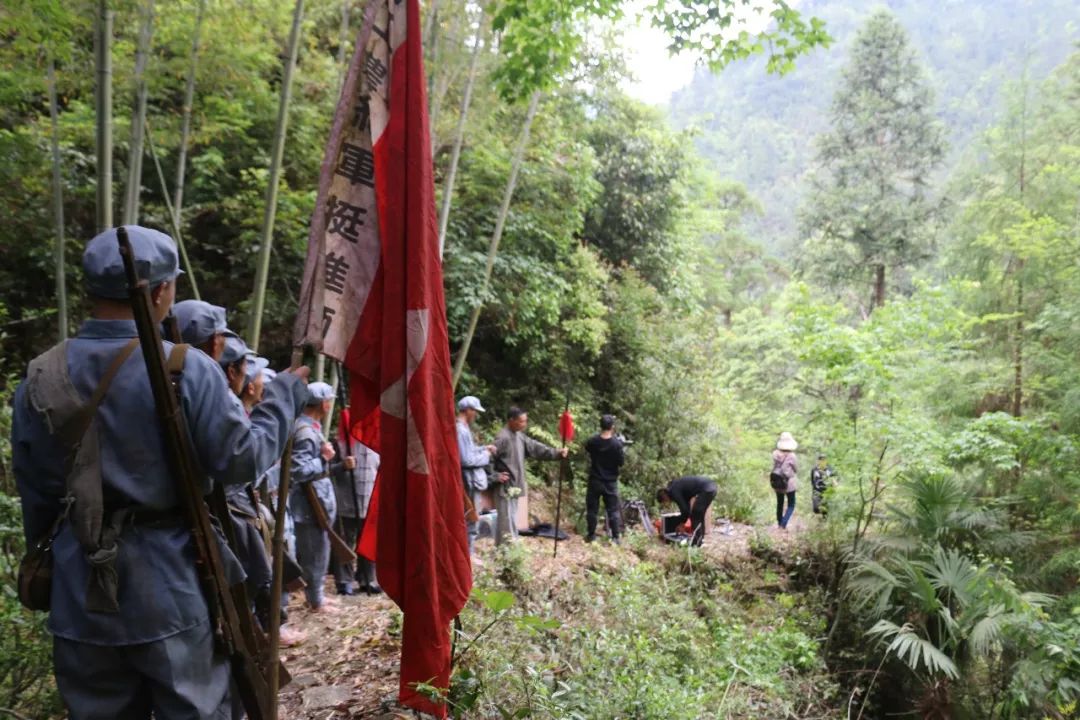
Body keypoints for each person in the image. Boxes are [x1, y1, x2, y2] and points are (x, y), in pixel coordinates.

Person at [12, 225, 308, 720]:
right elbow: (239, 461)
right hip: (169, 584)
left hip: (77, 588)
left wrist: (61, 560)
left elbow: (37, 493)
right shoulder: (185, 368)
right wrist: (282, 401)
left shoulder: (41, 374)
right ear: (162, 291)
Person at [289, 382, 356, 612]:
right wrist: (325, 458)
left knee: (320, 550)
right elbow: (298, 471)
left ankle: (317, 595)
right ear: (324, 403)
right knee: (314, 554)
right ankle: (315, 600)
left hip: (317, 502)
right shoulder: (306, 433)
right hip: (310, 505)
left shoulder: (309, 427)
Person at [492, 406, 568, 546]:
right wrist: (494, 476)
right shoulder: (502, 437)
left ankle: (504, 552)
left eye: (525, 421)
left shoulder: (520, 436)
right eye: (521, 421)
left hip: (514, 486)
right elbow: (488, 458)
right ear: (511, 420)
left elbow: (536, 448)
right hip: (505, 488)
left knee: (510, 520)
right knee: (506, 522)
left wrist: (556, 453)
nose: (524, 424)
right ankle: (508, 555)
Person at [331, 430, 381, 596]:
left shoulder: (378, 442)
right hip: (346, 502)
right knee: (345, 542)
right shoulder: (341, 442)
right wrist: (342, 466)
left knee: (368, 542)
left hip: (370, 501)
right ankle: (344, 581)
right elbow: (326, 470)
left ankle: (367, 579)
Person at [455, 396, 499, 556]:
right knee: (471, 519)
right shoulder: (460, 430)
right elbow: (465, 459)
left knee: (471, 519)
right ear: (468, 410)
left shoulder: (464, 429)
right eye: (475, 411)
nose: (476, 415)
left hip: (471, 480)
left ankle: (468, 554)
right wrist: (486, 455)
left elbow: (470, 451)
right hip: (469, 481)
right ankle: (468, 556)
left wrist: (483, 448)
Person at [584, 414, 626, 544]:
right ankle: (615, 538)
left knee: (592, 509)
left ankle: (591, 535)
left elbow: (588, 449)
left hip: (595, 480)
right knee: (613, 511)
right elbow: (621, 463)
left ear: (600, 426)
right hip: (610, 482)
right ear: (612, 427)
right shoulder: (616, 444)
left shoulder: (592, 441)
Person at [656, 476, 717, 547]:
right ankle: (700, 540)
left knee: (695, 515)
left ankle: (696, 544)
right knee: (699, 515)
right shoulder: (675, 488)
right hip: (711, 487)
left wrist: (682, 523)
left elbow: (684, 510)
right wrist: (682, 522)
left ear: (664, 496)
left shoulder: (673, 491)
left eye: (664, 501)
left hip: (707, 489)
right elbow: (686, 509)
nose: (666, 503)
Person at [772, 432, 799, 529]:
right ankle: (783, 524)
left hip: (778, 481)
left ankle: (779, 522)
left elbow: (774, 466)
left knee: (780, 503)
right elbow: (796, 469)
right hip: (789, 483)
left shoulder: (775, 454)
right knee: (791, 504)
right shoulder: (792, 456)